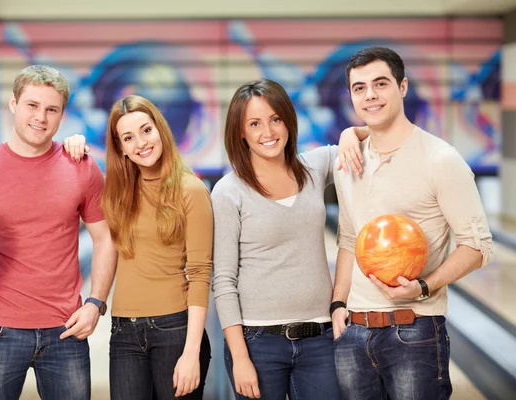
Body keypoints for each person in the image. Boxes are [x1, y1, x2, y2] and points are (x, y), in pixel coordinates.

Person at [0, 65, 117, 400]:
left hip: (66, 331)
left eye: (52, 109)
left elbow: (105, 238)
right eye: (32, 105)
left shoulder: (81, 166)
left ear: (63, 115)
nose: (41, 117)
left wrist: (96, 303)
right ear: (13, 104)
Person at [331, 47, 493, 400]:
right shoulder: (347, 161)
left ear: (402, 87)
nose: (370, 94)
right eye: (359, 88)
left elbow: (479, 246)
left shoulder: (440, 159)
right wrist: (338, 305)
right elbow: (347, 238)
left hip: (415, 330)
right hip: (354, 331)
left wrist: (423, 286)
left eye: (380, 83)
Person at [211, 78, 366, 400]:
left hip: (320, 338)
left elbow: (376, 137)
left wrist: (351, 132)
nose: (267, 133)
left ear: (288, 121)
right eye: (254, 123)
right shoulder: (229, 191)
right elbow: (223, 280)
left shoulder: (315, 167)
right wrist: (240, 357)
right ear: (241, 132)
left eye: (275, 119)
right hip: (257, 342)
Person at [100, 95, 212, 399]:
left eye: (146, 130)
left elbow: (201, 273)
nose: (140, 142)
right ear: (121, 148)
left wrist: (191, 353)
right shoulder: (118, 194)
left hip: (174, 330)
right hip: (123, 333)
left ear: (160, 129)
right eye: (128, 137)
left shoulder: (191, 190)